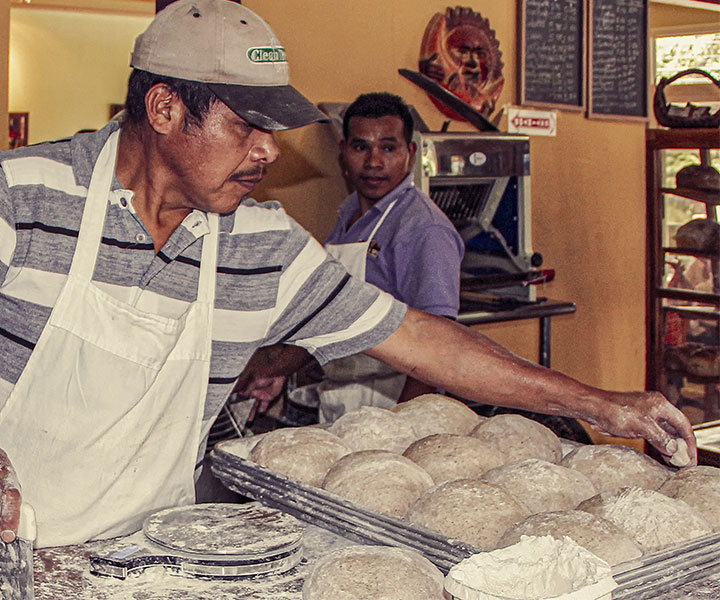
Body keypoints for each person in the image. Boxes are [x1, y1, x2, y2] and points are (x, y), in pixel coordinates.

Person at [0, 0, 697, 549]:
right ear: (163, 109)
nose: (268, 150)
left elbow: (425, 339)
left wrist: (602, 405)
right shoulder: (20, 198)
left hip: (154, 555)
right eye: (247, 125)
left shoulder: (262, 244)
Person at [278, 92, 465, 423]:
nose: (374, 162)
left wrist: (399, 426)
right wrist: (277, 371)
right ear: (343, 152)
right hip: (341, 402)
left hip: (391, 406)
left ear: (410, 153)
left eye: (388, 148)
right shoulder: (348, 218)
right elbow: (332, 316)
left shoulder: (424, 229)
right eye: (361, 147)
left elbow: (438, 345)